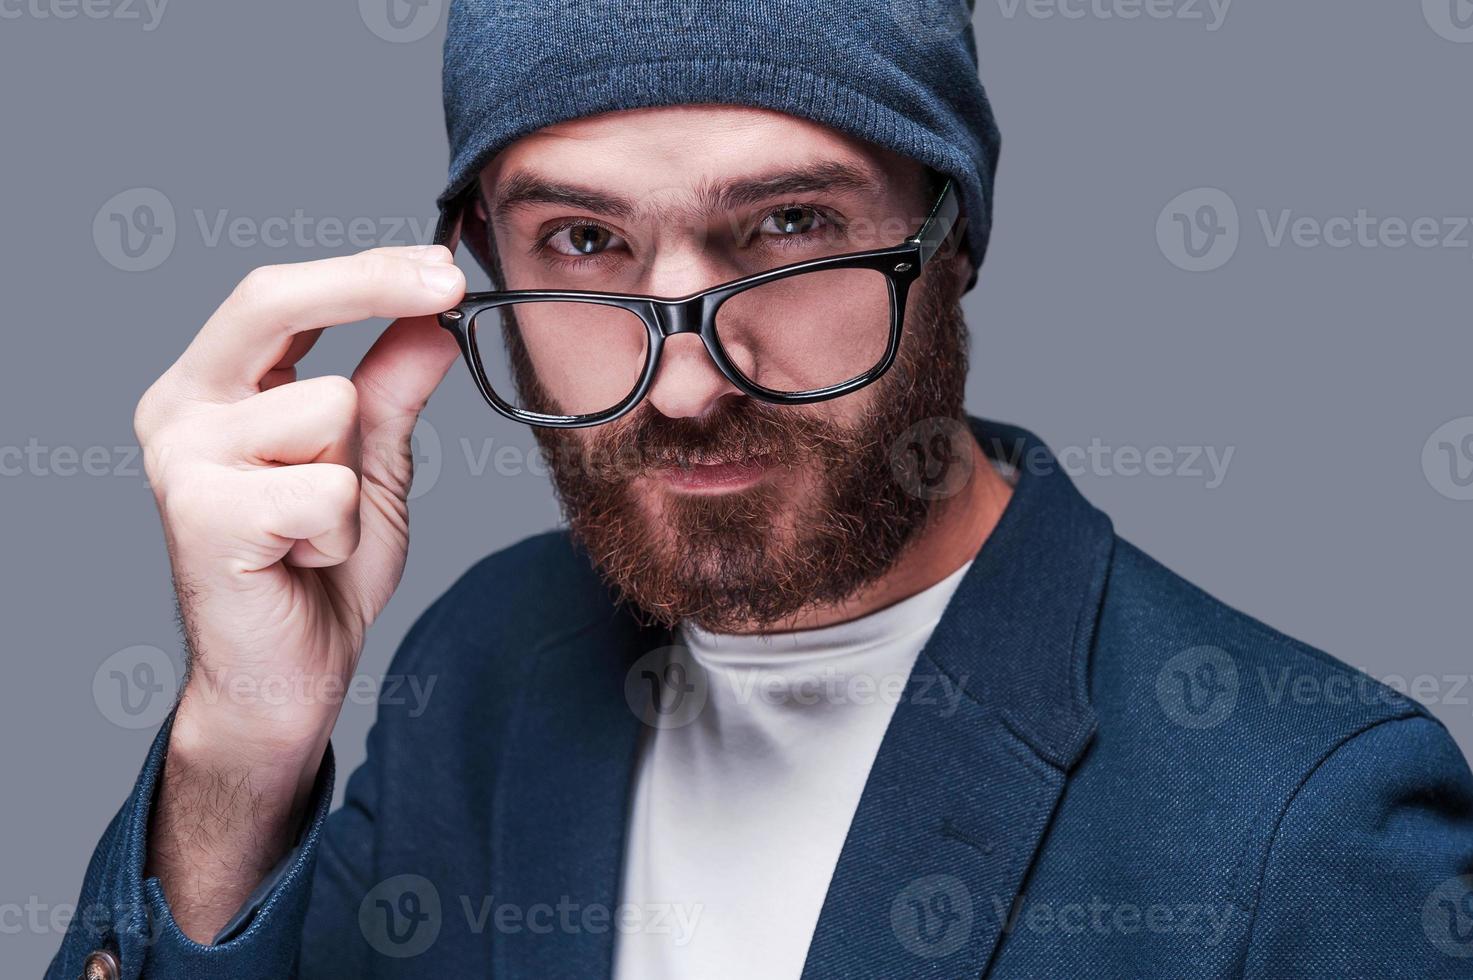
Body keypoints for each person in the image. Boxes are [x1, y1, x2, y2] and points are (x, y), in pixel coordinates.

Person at [50, 2, 1473, 978]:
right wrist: (242, 750)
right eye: (582, 241)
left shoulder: (1305, 821)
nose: (684, 385)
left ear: (949, 236)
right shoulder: (486, 665)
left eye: (789, 227)